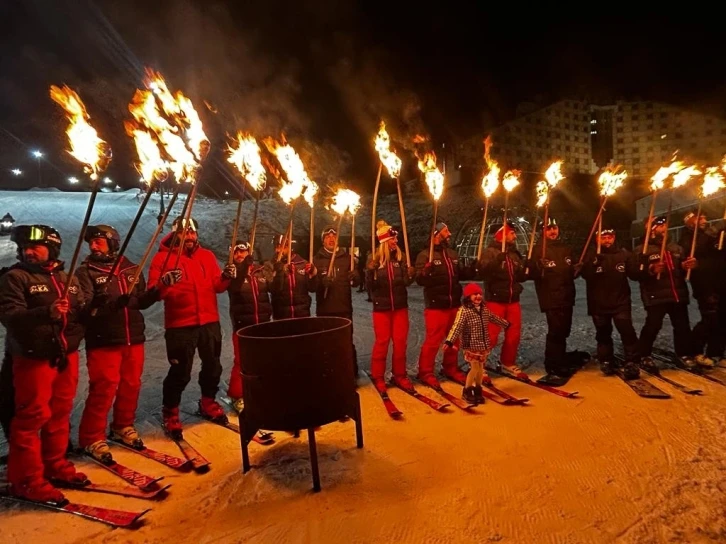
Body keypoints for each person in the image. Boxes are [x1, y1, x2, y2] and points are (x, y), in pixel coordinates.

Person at [0, 225, 88, 503]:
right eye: (24, 247)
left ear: (52, 248)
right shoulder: (16, 277)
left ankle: (55, 464)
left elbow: (81, 310)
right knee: (30, 417)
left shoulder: (67, 276)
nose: (28, 251)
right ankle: (25, 480)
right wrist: (45, 313)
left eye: (35, 247)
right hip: (32, 357)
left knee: (59, 413)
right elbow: (10, 315)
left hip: (64, 355)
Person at [75, 225, 161, 463]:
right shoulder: (86, 272)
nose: (93, 246)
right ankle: (91, 436)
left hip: (133, 337)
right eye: (91, 242)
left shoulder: (131, 268)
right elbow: (84, 309)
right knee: (104, 387)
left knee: (131, 384)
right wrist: (104, 303)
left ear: (113, 243)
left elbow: (140, 302)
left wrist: (158, 289)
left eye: (99, 241)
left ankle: (122, 425)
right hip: (104, 339)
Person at [148, 216, 235, 435]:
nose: (189, 236)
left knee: (213, 366)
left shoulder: (206, 256)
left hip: (209, 322)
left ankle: (207, 401)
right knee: (180, 371)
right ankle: (171, 410)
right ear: (175, 234)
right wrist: (165, 283)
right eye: (184, 232)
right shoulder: (162, 259)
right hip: (180, 324)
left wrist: (225, 277)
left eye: (192, 232)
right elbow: (153, 292)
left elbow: (217, 286)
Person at [629, 215, 698, 372]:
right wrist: (650, 270)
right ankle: (644, 354)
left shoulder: (676, 248)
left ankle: (684, 354)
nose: (663, 228)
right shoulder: (642, 249)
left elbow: (682, 269)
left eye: (664, 225)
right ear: (650, 228)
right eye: (659, 225)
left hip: (677, 293)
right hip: (655, 295)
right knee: (652, 326)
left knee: (682, 326)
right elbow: (634, 272)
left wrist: (688, 266)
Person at [415, 221, 476, 386]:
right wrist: (425, 272)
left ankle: (450, 368)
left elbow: (460, 275)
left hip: (454, 304)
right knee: (433, 340)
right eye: (446, 231)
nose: (449, 234)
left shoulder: (452, 254)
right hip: (436, 305)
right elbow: (419, 279)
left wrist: (473, 268)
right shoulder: (425, 255)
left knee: (454, 339)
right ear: (437, 233)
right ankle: (425, 372)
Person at [581, 224, 639, 379]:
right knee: (603, 333)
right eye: (603, 237)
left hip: (621, 302)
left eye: (610, 237)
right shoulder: (591, 254)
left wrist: (641, 263)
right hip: (598, 304)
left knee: (627, 331)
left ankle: (632, 361)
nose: (607, 240)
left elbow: (634, 274)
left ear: (614, 237)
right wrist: (592, 264)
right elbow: (584, 274)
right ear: (597, 239)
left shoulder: (624, 254)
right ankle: (606, 360)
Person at [528, 217, 578, 384]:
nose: (552, 231)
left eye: (554, 228)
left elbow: (571, 270)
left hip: (567, 296)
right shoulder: (538, 249)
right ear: (543, 231)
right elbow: (531, 273)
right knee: (556, 331)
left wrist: (578, 269)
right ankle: (553, 365)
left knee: (564, 330)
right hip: (550, 297)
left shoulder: (565, 248)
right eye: (549, 229)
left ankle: (561, 358)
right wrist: (536, 266)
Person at [366, 221, 415, 391]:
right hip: (382, 309)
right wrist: (368, 273)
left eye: (396, 239)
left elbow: (405, 283)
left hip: (400, 307)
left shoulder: (400, 260)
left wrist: (410, 275)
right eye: (393, 239)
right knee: (382, 342)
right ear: (385, 242)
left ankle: (399, 374)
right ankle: (378, 376)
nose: (395, 241)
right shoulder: (375, 260)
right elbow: (370, 288)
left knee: (400, 342)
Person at [443, 283, 510, 404]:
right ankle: (467, 390)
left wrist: (505, 324)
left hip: (483, 345)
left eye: (480, 294)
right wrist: (449, 340)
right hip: (471, 345)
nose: (478, 296)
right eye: (475, 294)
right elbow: (457, 326)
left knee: (480, 369)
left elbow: (493, 318)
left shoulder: (484, 309)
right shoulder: (464, 311)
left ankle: (478, 389)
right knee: (474, 368)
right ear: (468, 296)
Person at [225, 242, 272, 413]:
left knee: (263, 361)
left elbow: (273, 288)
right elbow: (234, 288)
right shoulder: (232, 272)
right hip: (243, 326)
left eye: (243, 251)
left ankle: (260, 392)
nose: (240, 255)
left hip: (263, 323)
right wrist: (243, 266)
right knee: (242, 362)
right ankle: (237, 395)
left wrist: (277, 272)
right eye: (236, 252)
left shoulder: (259, 271)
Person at [479, 221, 528, 379]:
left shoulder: (514, 254)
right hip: (496, 299)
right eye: (511, 233)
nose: (515, 236)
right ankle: (479, 364)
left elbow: (519, 277)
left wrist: (527, 269)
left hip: (513, 299)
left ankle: (508, 362)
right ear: (502, 235)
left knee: (514, 334)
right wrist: (496, 261)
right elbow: (483, 270)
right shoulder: (491, 252)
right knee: (491, 335)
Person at [678, 210, 726, 366]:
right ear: (689, 221)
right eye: (700, 217)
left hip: (720, 282)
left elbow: (718, 255)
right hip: (704, 285)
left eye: (705, 217)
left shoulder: (711, 235)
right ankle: (694, 349)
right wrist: (714, 231)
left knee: (722, 318)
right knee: (710, 319)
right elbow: (697, 250)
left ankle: (716, 353)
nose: (704, 220)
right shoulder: (687, 239)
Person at [313, 225, 361, 381]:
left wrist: (356, 276)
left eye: (334, 236)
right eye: (327, 237)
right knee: (327, 344)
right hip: (325, 309)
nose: (331, 239)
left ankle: (349, 374)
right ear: (323, 240)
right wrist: (321, 282)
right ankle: (328, 374)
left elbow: (355, 283)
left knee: (345, 343)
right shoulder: (316, 259)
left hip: (344, 308)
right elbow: (311, 287)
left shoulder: (347, 258)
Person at [268, 233, 317, 320]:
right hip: (281, 315)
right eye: (277, 247)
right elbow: (272, 289)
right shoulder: (270, 265)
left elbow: (312, 288)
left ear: (290, 247)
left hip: (301, 314)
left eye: (284, 247)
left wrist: (313, 274)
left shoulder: (303, 264)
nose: (279, 250)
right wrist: (279, 272)